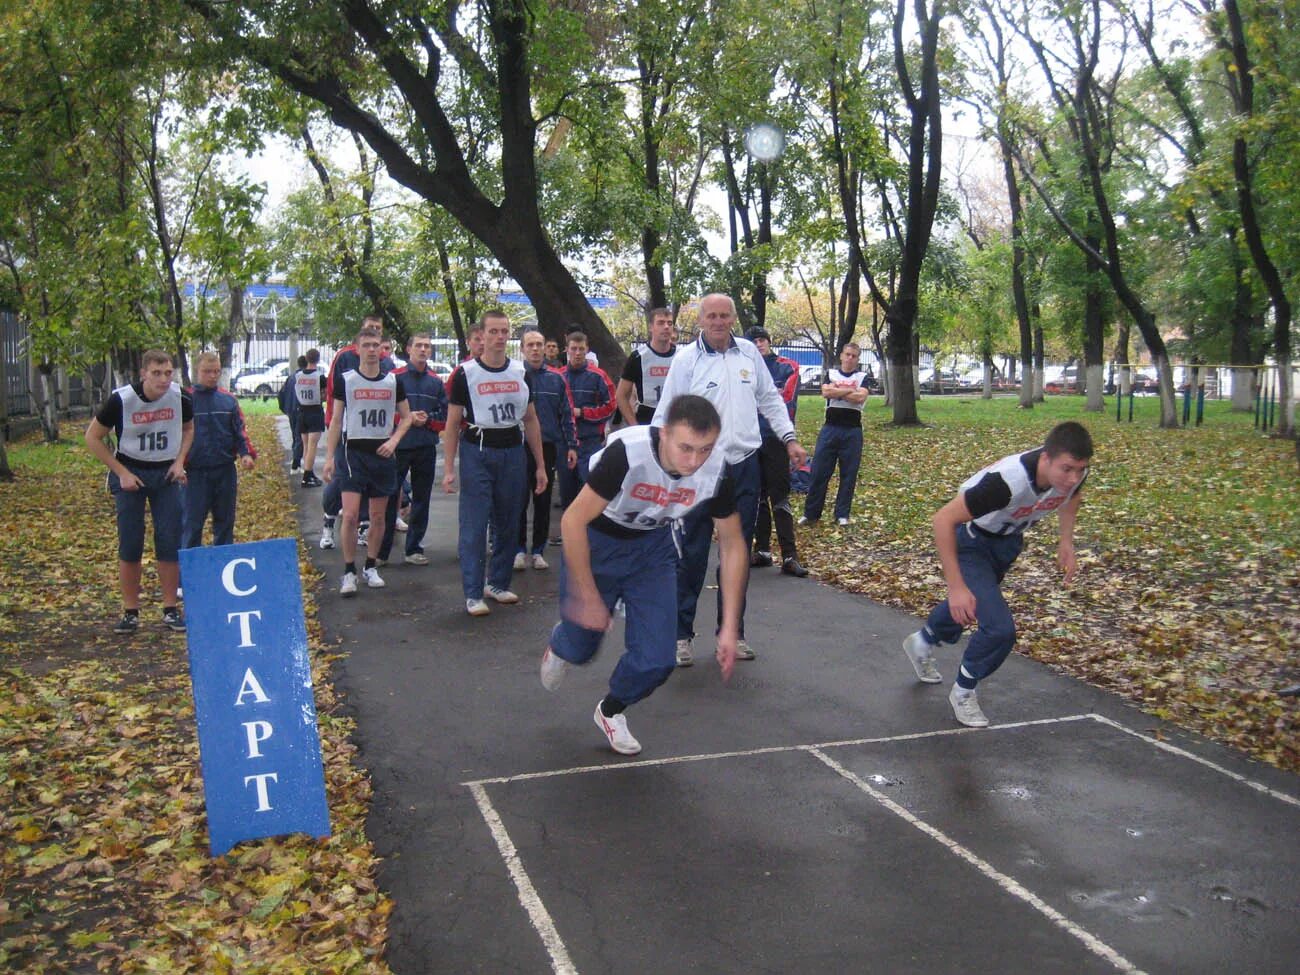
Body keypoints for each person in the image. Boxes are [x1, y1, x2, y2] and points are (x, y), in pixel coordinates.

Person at [540, 395, 746, 755]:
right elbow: (573, 520)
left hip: (652, 549)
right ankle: (562, 643)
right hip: (598, 538)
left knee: (658, 659)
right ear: (664, 433)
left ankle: (611, 710)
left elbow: (732, 545)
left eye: (705, 449)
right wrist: (587, 598)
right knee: (583, 642)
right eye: (686, 448)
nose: (694, 461)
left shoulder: (716, 471)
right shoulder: (628, 454)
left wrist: (729, 626)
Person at [901, 421, 1093, 727]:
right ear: (1045, 458)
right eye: (1066, 469)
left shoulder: (1074, 474)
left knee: (973, 604)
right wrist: (955, 586)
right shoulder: (1006, 482)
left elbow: (1073, 498)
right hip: (970, 540)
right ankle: (964, 691)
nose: (1073, 478)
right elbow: (943, 520)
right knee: (999, 629)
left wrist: (1066, 540)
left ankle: (923, 641)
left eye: (1080, 470)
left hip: (1007, 543)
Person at [652, 294, 807, 666]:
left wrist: (789, 438)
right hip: (700, 469)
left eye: (725, 316)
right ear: (701, 320)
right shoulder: (687, 360)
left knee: (736, 553)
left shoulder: (749, 354)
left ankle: (732, 633)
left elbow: (770, 399)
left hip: (744, 466)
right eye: (712, 316)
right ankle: (680, 636)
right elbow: (665, 415)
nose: (719, 322)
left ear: (733, 318)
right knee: (691, 553)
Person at [442, 310, 548, 616]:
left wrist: (540, 465)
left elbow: (530, 420)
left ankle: (498, 582)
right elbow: (451, 424)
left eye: (504, 331)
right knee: (475, 525)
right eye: (494, 332)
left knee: (509, 520)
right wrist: (449, 468)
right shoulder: (466, 374)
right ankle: (473, 592)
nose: (500, 337)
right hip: (478, 449)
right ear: (482, 336)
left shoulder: (520, 372)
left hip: (513, 451)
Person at [84, 349, 194, 634]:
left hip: (166, 472)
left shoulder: (180, 397)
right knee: (131, 541)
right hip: (130, 472)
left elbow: (189, 429)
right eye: (156, 373)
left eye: (168, 373)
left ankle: (170, 608)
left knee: (169, 539)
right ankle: (130, 611)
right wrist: (121, 473)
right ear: (143, 373)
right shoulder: (121, 400)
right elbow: (93, 437)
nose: (163, 379)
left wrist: (180, 461)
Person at [322, 325, 413, 596]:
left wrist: (394, 441)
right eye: (367, 345)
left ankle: (370, 566)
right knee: (349, 515)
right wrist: (329, 457)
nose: (373, 350)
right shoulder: (346, 379)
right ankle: (349, 571)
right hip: (353, 453)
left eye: (377, 345)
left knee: (377, 516)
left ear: (383, 350)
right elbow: (337, 419)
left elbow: (407, 417)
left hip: (382, 453)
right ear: (358, 348)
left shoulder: (393, 381)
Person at [377, 333, 447, 566]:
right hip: (398, 447)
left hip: (425, 447)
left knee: (422, 499)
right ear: (409, 349)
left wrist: (426, 420)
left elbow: (444, 416)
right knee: (389, 499)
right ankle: (382, 551)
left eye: (427, 346)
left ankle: (414, 548)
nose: (423, 350)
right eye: (419, 346)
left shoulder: (436, 382)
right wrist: (407, 418)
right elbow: (384, 411)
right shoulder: (394, 378)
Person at [747, 327, 807, 577]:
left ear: (769, 342)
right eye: (753, 341)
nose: (758, 344)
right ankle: (762, 550)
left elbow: (783, 401)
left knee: (780, 498)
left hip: (776, 439)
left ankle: (789, 555)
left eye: (762, 340)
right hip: (749, 440)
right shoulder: (744, 368)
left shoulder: (787, 366)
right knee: (757, 497)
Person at [515, 329, 578, 570]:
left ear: (545, 348)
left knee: (542, 500)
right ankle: (519, 549)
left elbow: (566, 414)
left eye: (539, 344)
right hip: (519, 447)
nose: (534, 349)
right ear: (522, 348)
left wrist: (571, 445)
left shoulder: (556, 379)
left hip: (549, 446)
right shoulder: (515, 377)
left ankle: (538, 550)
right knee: (518, 500)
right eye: (529, 345)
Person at [182, 352, 257, 549]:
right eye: (207, 371)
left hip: (224, 470)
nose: (213, 376)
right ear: (197, 371)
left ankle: (223, 568)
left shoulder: (228, 400)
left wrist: (246, 454)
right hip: (194, 472)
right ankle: (190, 573)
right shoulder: (185, 400)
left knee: (224, 523)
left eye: (216, 371)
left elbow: (239, 430)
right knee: (192, 524)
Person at [801, 342, 870, 527]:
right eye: (847, 354)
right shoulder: (831, 374)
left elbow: (860, 397)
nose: (850, 358)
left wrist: (837, 391)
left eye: (854, 356)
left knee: (848, 474)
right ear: (841, 355)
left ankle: (842, 514)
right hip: (830, 428)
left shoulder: (863, 377)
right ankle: (811, 514)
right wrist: (849, 390)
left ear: (858, 358)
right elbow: (825, 392)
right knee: (819, 472)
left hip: (853, 431)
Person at [557, 329, 616, 508]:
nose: (577, 353)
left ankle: (589, 534)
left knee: (589, 492)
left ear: (587, 349)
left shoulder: (599, 376)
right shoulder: (558, 376)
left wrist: (582, 413)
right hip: (565, 443)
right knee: (567, 493)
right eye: (573, 349)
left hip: (590, 442)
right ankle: (569, 533)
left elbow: (610, 406)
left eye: (581, 349)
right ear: (566, 350)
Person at [616, 307, 677, 426]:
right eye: (660, 323)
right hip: (646, 420)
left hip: (675, 420)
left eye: (669, 323)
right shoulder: (638, 357)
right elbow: (621, 395)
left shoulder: (681, 356)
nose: (666, 327)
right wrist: (634, 426)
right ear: (650, 327)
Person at [293, 348, 327, 487]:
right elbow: (324, 395)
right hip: (315, 410)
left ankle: (309, 471)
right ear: (318, 360)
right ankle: (307, 476)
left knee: (306, 444)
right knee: (313, 445)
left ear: (306, 359)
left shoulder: (298, 375)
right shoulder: (319, 377)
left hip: (302, 411)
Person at [279, 354, 307, 472]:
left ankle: (296, 460)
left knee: (295, 435)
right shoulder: (305, 377)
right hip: (301, 409)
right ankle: (296, 463)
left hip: (291, 409)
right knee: (300, 436)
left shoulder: (291, 377)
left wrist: (285, 408)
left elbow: (282, 394)